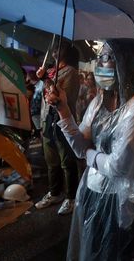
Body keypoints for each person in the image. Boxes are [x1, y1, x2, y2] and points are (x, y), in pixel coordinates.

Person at [46, 39, 134, 260]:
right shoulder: (98, 103)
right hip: (92, 191)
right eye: (99, 57)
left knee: (113, 254)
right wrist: (64, 110)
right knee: (91, 251)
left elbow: (119, 165)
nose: (99, 63)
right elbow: (79, 148)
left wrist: (89, 155)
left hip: (119, 202)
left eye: (106, 57)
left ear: (124, 63)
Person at [35, 43, 80, 215]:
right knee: (51, 160)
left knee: (66, 161)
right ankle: (55, 193)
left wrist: (46, 80)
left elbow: (63, 98)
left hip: (61, 121)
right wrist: (44, 77)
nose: (54, 50)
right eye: (54, 48)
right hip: (47, 120)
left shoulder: (71, 72)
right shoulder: (51, 71)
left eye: (59, 48)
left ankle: (71, 197)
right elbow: (44, 99)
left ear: (67, 52)